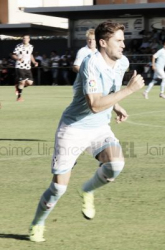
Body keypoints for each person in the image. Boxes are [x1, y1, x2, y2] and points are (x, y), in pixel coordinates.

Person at [28, 21, 145, 243]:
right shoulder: (91, 63)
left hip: (99, 127)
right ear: (103, 43)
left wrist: (117, 105)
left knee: (116, 164)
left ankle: (87, 191)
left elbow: (107, 92)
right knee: (57, 188)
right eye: (118, 40)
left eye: (123, 40)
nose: (124, 44)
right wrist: (129, 90)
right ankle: (37, 223)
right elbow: (94, 104)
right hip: (74, 128)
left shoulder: (122, 62)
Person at [12, 34, 38, 102]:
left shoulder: (31, 46)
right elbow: (13, 55)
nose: (25, 39)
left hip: (27, 67)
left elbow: (30, 55)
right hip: (20, 66)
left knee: (30, 82)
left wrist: (34, 62)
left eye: (26, 38)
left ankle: (18, 87)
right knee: (22, 82)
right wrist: (18, 58)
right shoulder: (18, 46)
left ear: (29, 39)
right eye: (24, 38)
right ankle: (19, 97)